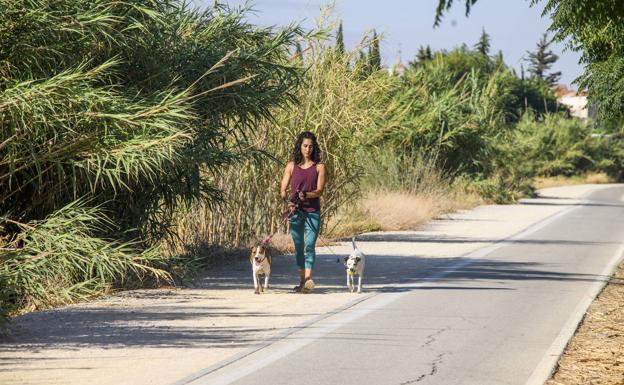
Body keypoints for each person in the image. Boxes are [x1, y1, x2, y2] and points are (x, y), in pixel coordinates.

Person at [280, 131, 326, 293]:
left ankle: (307, 280)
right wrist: (289, 202)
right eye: (305, 146)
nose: (308, 149)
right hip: (296, 212)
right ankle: (302, 281)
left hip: (312, 211)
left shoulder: (319, 167)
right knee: (299, 246)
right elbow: (283, 190)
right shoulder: (291, 166)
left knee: (310, 245)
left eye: (311, 146)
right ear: (299, 146)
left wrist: (306, 194)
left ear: (314, 148)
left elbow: (319, 191)